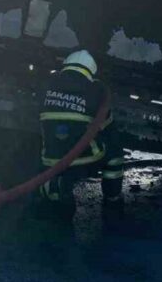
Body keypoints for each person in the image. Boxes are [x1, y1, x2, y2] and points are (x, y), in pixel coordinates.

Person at [35, 50, 124, 218]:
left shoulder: (47, 84)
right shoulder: (96, 90)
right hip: (84, 158)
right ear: (90, 70)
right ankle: (112, 198)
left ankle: (49, 187)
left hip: (50, 158)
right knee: (115, 151)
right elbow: (106, 123)